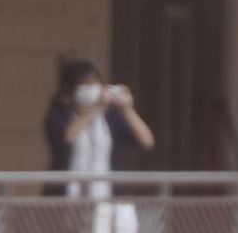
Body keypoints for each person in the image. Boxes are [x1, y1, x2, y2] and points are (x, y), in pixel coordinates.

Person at [43, 57, 156, 195]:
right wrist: (97, 108)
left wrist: (127, 109)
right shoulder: (59, 116)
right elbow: (67, 138)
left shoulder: (110, 117)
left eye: (95, 84)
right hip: (66, 196)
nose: (92, 89)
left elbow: (147, 141)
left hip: (106, 196)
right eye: (86, 85)